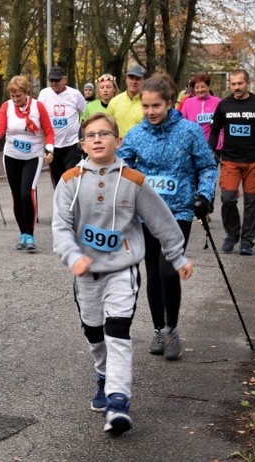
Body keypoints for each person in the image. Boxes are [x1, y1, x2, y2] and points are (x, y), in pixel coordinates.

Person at [53, 112, 192, 435]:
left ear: (118, 141)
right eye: (91, 135)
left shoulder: (133, 181)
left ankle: (118, 400)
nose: (98, 139)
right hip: (86, 273)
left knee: (117, 331)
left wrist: (178, 256)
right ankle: (103, 376)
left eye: (105, 134)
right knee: (94, 333)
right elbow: (60, 227)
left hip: (122, 270)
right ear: (83, 144)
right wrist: (72, 256)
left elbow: (162, 222)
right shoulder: (70, 180)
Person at [118, 75, 216, 360]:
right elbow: (121, 167)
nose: (150, 112)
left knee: (167, 269)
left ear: (170, 103)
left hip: (179, 211)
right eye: (145, 106)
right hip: (146, 213)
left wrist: (204, 196)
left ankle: (172, 328)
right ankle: (159, 328)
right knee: (152, 271)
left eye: (156, 106)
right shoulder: (136, 134)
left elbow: (208, 166)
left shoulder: (189, 131)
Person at [0, 75, 54, 251]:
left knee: (26, 193)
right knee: (16, 195)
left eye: (18, 96)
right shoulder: (6, 107)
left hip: (33, 157)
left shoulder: (38, 107)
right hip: (11, 156)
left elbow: (49, 131)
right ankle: (22, 233)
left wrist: (50, 149)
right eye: (12, 96)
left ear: (26, 92)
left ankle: (30, 234)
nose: (15, 99)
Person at [208, 69, 255, 256]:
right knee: (227, 198)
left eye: (240, 83)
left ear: (247, 83)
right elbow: (215, 130)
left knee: (251, 202)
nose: (236, 87)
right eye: (233, 84)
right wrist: (211, 150)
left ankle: (247, 241)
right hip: (230, 160)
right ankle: (232, 234)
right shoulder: (224, 105)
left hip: (253, 161)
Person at [37, 66, 87, 188]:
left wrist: (84, 136)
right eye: (51, 81)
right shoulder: (44, 94)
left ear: (65, 79)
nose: (54, 83)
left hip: (72, 145)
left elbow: (85, 114)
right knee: (58, 182)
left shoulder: (74, 94)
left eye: (57, 80)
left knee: (71, 180)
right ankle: (61, 206)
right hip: (53, 146)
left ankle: (73, 206)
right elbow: (37, 115)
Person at [181, 73, 222, 149]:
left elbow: (223, 124)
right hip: (194, 145)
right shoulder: (188, 102)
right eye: (197, 87)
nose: (200, 90)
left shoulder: (218, 102)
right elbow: (182, 124)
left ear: (208, 87)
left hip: (214, 146)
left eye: (203, 87)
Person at [107, 65, 147, 137]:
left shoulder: (148, 102)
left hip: (142, 146)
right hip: (120, 146)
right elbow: (108, 127)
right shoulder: (114, 102)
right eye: (131, 78)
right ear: (126, 79)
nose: (134, 82)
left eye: (138, 79)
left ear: (144, 81)